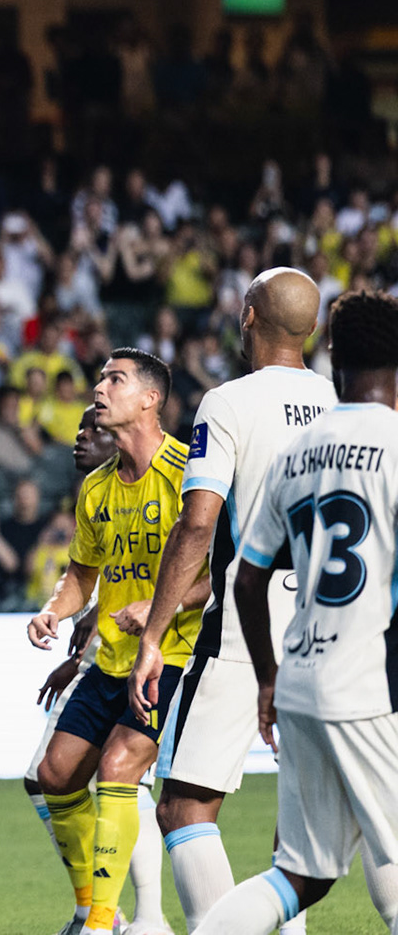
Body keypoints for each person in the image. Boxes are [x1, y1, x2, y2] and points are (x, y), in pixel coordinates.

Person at [125, 268, 334, 931]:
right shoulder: (346, 404)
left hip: (249, 629)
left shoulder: (228, 402)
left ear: (248, 317)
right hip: (332, 627)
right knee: (302, 832)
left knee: (183, 808)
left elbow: (198, 522)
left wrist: (155, 633)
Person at [195, 289, 398, 932]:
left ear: (333, 357)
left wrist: (268, 677)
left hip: (302, 679)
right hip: (372, 684)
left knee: (299, 875)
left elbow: (247, 580)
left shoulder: (300, 451)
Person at [28, 350, 199, 935]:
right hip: (111, 660)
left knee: (121, 767)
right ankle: (91, 908)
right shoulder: (97, 489)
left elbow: (223, 569)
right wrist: (54, 610)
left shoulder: (187, 471)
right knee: (53, 775)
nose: (99, 388)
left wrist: (162, 604)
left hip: (174, 654)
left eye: (114, 379)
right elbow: (80, 574)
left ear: (150, 399)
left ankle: (105, 924)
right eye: (101, 378)